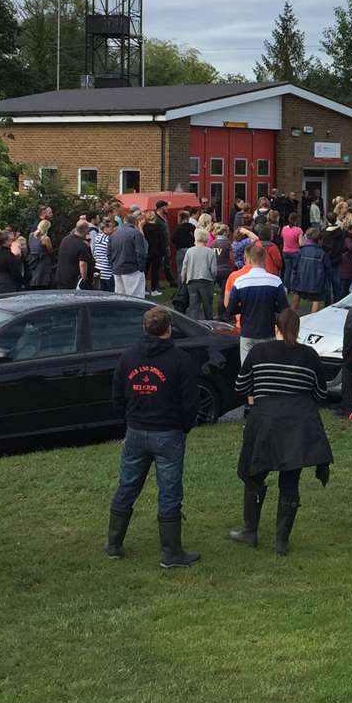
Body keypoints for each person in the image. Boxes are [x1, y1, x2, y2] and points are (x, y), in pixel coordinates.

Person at [229, 309, 333, 556]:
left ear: (275, 327)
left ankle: (250, 531)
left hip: (264, 421)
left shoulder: (258, 352)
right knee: (290, 481)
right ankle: (281, 541)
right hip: (298, 424)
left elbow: (240, 386)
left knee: (254, 473)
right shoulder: (309, 355)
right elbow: (321, 394)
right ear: (298, 329)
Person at [103, 306, 201, 566]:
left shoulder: (128, 358)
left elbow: (117, 397)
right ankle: (171, 553)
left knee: (127, 485)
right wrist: (184, 426)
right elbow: (191, 401)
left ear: (144, 328)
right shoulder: (180, 360)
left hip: (136, 432)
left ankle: (113, 544)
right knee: (169, 492)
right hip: (168, 432)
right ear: (169, 329)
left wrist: (129, 420)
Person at [228, 244, 289, 363]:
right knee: (268, 365)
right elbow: (284, 308)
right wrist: (272, 307)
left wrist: (245, 308)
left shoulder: (240, 281)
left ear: (248, 259)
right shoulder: (275, 281)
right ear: (265, 259)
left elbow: (231, 309)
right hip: (268, 331)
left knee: (246, 366)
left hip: (247, 331)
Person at [180, 227, 218, 320]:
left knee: (193, 306)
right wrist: (212, 279)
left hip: (192, 281)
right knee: (207, 306)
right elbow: (213, 270)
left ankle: (194, 325)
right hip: (206, 281)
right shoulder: (210, 252)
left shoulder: (190, 251)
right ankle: (209, 323)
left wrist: (183, 279)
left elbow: (184, 267)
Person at [292, 228, 332, 313]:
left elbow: (295, 266)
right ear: (319, 239)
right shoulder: (322, 253)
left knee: (297, 295)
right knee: (316, 300)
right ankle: (312, 319)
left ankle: (292, 315)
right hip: (316, 283)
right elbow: (328, 268)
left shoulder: (301, 251)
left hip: (301, 281)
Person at [109, 212, 148, 298]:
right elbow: (140, 253)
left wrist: (113, 265)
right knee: (136, 297)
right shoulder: (136, 233)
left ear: (124, 221)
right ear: (135, 222)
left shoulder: (113, 234)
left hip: (117, 268)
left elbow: (109, 253)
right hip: (132, 269)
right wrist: (141, 268)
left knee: (120, 296)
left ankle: (121, 311)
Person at [54, 219, 93, 290]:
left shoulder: (65, 239)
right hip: (73, 279)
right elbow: (83, 264)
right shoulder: (82, 245)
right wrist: (84, 279)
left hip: (61, 276)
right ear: (85, 230)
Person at [144, 202, 173, 294]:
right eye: (166, 207)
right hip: (155, 250)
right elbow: (159, 237)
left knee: (154, 269)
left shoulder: (162, 219)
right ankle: (153, 288)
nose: (167, 208)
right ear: (161, 207)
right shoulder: (156, 222)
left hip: (156, 249)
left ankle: (153, 287)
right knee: (152, 269)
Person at [0, 230, 26, 294]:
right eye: (11, 240)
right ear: (6, 241)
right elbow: (15, 272)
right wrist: (22, 282)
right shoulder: (8, 255)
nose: (12, 242)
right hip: (4, 285)